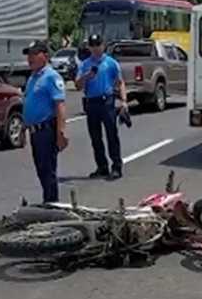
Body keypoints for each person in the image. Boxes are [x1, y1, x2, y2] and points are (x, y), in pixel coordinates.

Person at [22, 40, 69, 204]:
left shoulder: (51, 77)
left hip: (46, 130)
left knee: (48, 170)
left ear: (45, 56)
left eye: (34, 54)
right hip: (35, 131)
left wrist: (61, 132)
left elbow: (60, 105)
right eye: (29, 55)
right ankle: (48, 202)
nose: (30, 58)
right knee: (41, 169)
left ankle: (52, 204)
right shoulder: (33, 78)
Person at [76, 34, 127, 180]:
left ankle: (116, 166)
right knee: (95, 137)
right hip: (91, 102)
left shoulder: (110, 63)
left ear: (103, 46)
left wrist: (123, 101)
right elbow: (78, 85)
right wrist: (87, 76)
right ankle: (102, 166)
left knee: (112, 135)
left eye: (98, 45)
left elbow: (120, 82)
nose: (95, 48)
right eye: (92, 46)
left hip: (107, 101)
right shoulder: (85, 64)